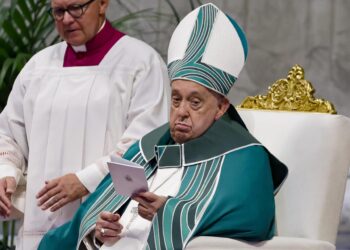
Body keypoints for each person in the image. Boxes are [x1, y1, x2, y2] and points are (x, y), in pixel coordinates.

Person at [38, 3, 288, 250]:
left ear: (221, 107)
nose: (181, 112)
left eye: (195, 102)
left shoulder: (244, 156)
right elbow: (89, 221)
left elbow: (251, 219)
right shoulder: (145, 149)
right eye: (176, 98)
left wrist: (168, 212)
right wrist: (99, 232)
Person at [0, 0, 170, 249]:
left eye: (76, 8)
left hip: (109, 226)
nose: (67, 19)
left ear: (102, 4)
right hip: (41, 224)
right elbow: (9, 133)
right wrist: (6, 172)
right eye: (59, 11)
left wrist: (85, 180)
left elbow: (144, 146)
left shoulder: (141, 63)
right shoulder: (38, 67)